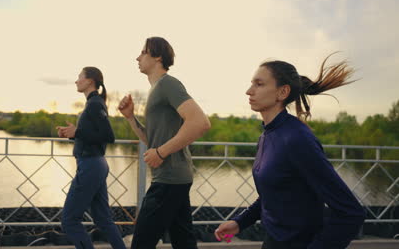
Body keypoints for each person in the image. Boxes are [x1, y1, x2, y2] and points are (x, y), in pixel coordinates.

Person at [214, 54, 365, 249]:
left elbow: (351, 212)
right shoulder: (267, 135)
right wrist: (240, 222)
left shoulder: (297, 139)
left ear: (282, 92)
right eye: (251, 83)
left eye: (259, 84)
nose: (248, 91)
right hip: (272, 241)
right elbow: (273, 194)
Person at [118, 37, 211, 249]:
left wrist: (161, 153)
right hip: (174, 177)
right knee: (183, 241)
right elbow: (151, 140)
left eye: (143, 52)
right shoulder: (156, 90)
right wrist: (131, 117)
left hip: (169, 179)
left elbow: (200, 122)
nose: (137, 57)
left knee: (141, 242)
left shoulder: (169, 84)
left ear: (158, 56)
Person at [57, 67, 126, 249]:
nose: (76, 81)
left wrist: (77, 131)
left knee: (69, 221)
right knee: (103, 220)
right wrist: (72, 134)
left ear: (90, 81)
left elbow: (108, 136)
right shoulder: (94, 103)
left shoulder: (95, 103)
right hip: (94, 164)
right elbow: (93, 135)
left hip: (91, 166)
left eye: (79, 77)